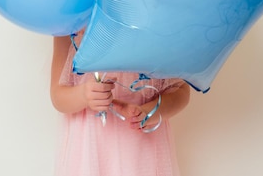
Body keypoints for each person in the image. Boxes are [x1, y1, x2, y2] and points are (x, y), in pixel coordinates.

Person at [51, 29, 191, 176]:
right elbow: (57, 96)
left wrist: (150, 112)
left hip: (142, 151)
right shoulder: (70, 23)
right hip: (90, 150)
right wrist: (84, 95)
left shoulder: (158, 23)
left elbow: (181, 91)